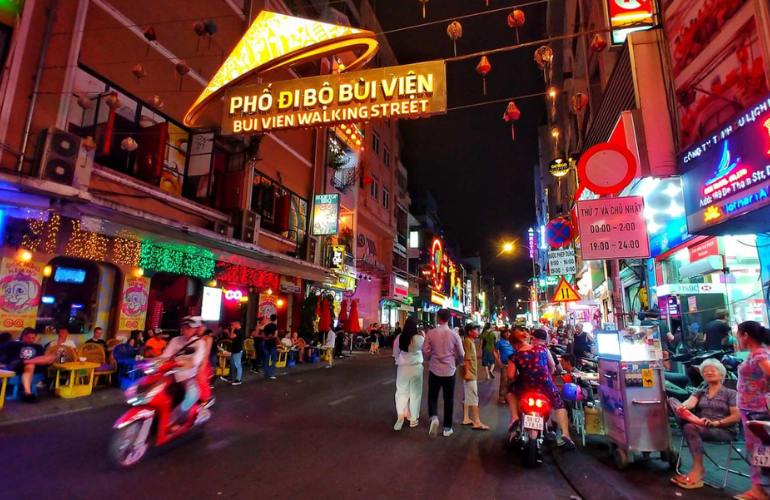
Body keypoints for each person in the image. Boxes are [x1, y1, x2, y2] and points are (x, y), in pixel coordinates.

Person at [668, 359, 740, 490]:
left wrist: (717, 423)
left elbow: (736, 416)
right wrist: (682, 407)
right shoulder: (701, 391)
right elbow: (690, 402)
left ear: (721, 374)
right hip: (701, 426)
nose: (709, 372)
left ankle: (698, 468)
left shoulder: (731, 393)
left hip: (722, 429)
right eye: (705, 371)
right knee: (672, 401)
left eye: (713, 370)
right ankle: (695, 421)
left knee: (689, 426)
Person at [508, 328, 575, 450]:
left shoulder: (514, 356)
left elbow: (510, 376)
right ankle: (566, 434)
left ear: (514, 344)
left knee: (510, 393)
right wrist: (547, 377)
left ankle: (514, 417)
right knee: (559, 404)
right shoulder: (543, 349)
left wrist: (518, 377)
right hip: (545, 385)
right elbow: (553, 366)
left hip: (525, 385)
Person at [735, 321, 770, 500]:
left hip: (755, 409)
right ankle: (760, 487)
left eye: (738, 335)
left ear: (745, 335)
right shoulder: (756, 353)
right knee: (758, 448)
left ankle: (760, 489)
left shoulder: (759, 354)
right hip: (751, 408)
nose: (737, 339)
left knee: (758, 449)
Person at [423, 308, 465, 437]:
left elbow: (425, 350)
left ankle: (434, 417)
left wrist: (431, 358)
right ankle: (447, 428)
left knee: (432, 396)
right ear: (449, 318)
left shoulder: (431, 333)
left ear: (438, 318)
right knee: (449, 399)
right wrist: (456, 362)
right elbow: (462, 354)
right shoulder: (454, 334)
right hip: (449, 370)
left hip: (435, 369)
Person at [161, 316, 208, 428]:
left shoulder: (199, 343)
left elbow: (195, 361)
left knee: (192, 395)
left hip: (187, 376)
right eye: (184, 327)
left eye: (189, 328)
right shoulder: (175, 340)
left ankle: (172, 421)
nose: (186, 330)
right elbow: (164, 356)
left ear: (195, 329)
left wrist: (185, 363)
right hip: (170, 374)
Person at [393, 317, 424, 430]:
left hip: (403, 368)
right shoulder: (419, 338)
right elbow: (425, 349)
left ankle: (401, 416)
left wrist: (399, 360)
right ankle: (413, 419)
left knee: (401, 392)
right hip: (416, 367)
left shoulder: (400, 337)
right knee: (415, 393)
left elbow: (395, 353)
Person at [0, 328, 45, 402]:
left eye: (33, 338)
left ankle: (28, 394)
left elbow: (42, 358)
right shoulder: (15, 344)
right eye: (28, 337)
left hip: (33, 365)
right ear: (23, 336)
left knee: (33, 362)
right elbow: (4, 353)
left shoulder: (38, 346)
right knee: (30, 364)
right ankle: (28, 394)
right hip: (18, 365)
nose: (31, 340)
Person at [461, 324, 489, 430]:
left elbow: (470, 357)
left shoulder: (469, 342)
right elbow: (467, 359)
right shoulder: (468, 342)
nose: (477, 331)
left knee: (467, 396)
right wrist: (468, 372)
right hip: (470, 374)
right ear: (469, 332)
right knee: (473, 397)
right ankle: (477, 422)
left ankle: (466, 418)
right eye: (476, 330)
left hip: (470, 372)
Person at [494, 328, 515, 404]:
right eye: (506, 333)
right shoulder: (500, 342)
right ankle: (502, 397)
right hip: (505, 364)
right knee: (504, 381)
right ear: (502, 334)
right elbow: (495, 351)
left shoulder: (513, 342)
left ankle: (509, 397)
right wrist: (498, 361)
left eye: (509, 333)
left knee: (512, 381)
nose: (507, 334)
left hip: (513, 365)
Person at [222, 321, 244, 385]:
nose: (232, 325)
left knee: (238, 365)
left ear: (237, 324)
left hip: (238, 350)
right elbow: (232, 338)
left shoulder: (239, 331)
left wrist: (231, 330)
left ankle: (238, 380)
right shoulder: (237, 331)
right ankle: (230, 378)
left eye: (233, 324)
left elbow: (231, 337)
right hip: (234, 350)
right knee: (232, 364)